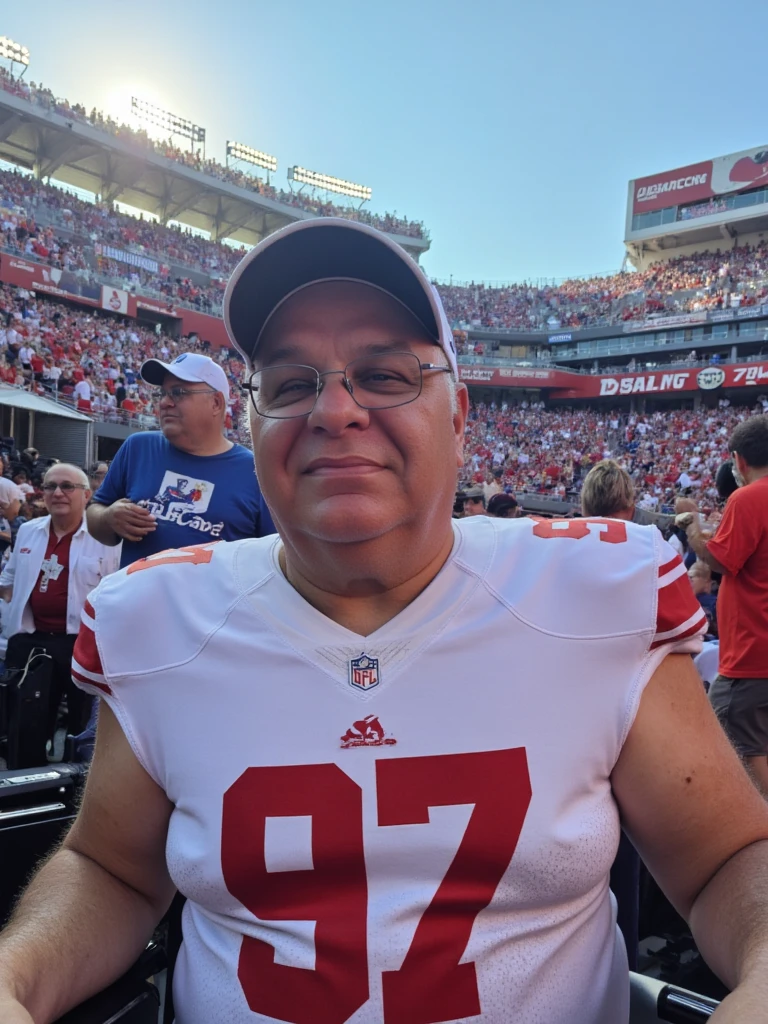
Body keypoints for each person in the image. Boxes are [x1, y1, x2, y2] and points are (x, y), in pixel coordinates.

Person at [2, 219, 768, 1024]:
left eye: (385, 374)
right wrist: (15, 978)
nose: (335, 411)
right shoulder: (159, 616)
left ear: (460, 414)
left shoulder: (594, 594)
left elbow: (726, 859)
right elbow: (112, 870)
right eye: (292, 384)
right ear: (256, 424)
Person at [86, 352, 274, 567]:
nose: (165, 402)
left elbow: (270, 556)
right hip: (136, 600)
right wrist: (107, 518)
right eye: (162, 394)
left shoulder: (255, 471)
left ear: (215, 403)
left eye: (178, 393)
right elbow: (95, 511)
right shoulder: (138, 447)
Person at [0, 463, 120, 749]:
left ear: (86, 495)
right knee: (23, 725)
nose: (58, 493)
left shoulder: (109, 540)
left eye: (67, 486)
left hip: (82, 643)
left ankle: (74, 788)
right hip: (31, 640)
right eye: (51, 486)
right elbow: (10, 578)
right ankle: (25, 787)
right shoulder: (28, 531)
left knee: (83, 726)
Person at [680, 415, 768, 795]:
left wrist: (691, 527)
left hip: (752, 659)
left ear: (740, 461)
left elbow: (719, 561)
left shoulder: (748, 496)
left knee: (739, 759)